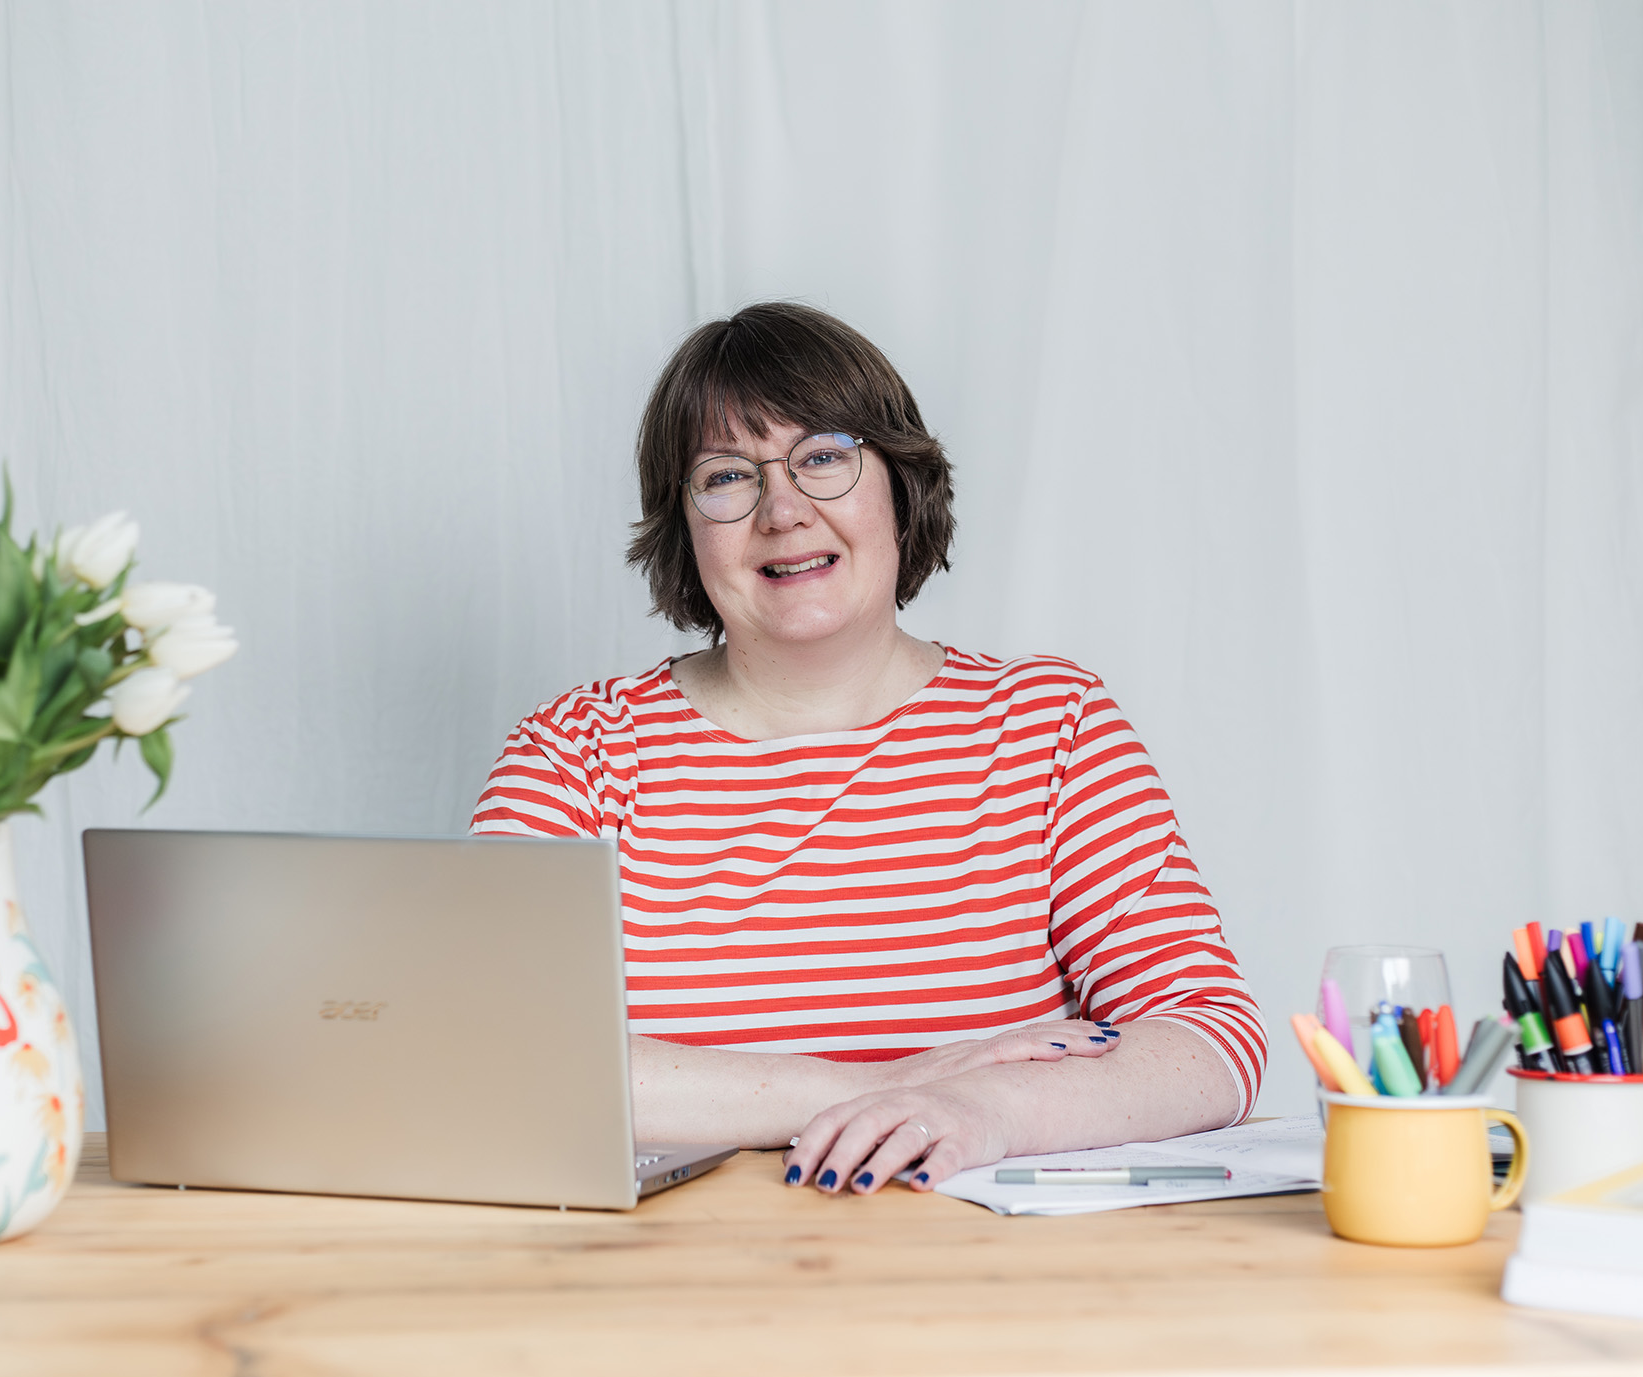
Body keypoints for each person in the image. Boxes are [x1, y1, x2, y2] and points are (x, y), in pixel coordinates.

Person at [473, 302, 1263, 1195]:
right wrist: (883, 1088)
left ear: (900, 484)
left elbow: (1211, 1040)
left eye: (823, 457)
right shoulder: (573, 755)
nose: (783, 510)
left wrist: (987, 1111)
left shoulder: (1052, 725)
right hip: (674, 1271)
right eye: (726, 476)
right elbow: (491, 1051)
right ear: (684, 527)